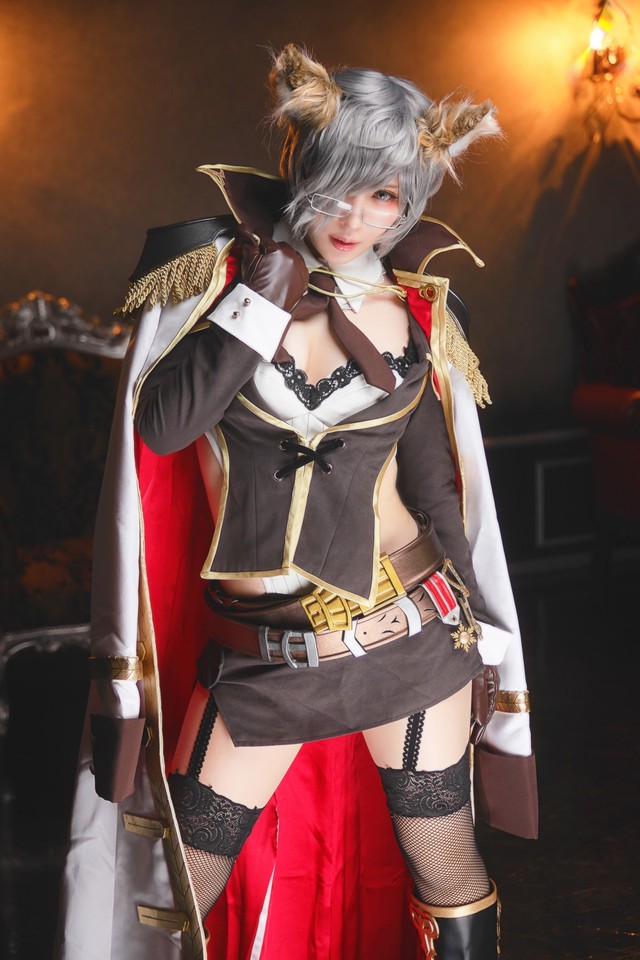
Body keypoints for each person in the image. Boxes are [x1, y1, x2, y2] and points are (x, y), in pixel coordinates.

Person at [57, 44, 536, 960]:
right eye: (339, 187)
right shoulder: (208, 282)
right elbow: (163, 428)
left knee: (444, 862)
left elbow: (436, 485)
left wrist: (484, 629)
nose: (357, 217)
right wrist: (259, 304)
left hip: (407, 633)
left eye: (385, 194)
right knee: (181, 884)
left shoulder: (421, 312)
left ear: (410, 199)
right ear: (301, 170)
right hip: (264, 659)